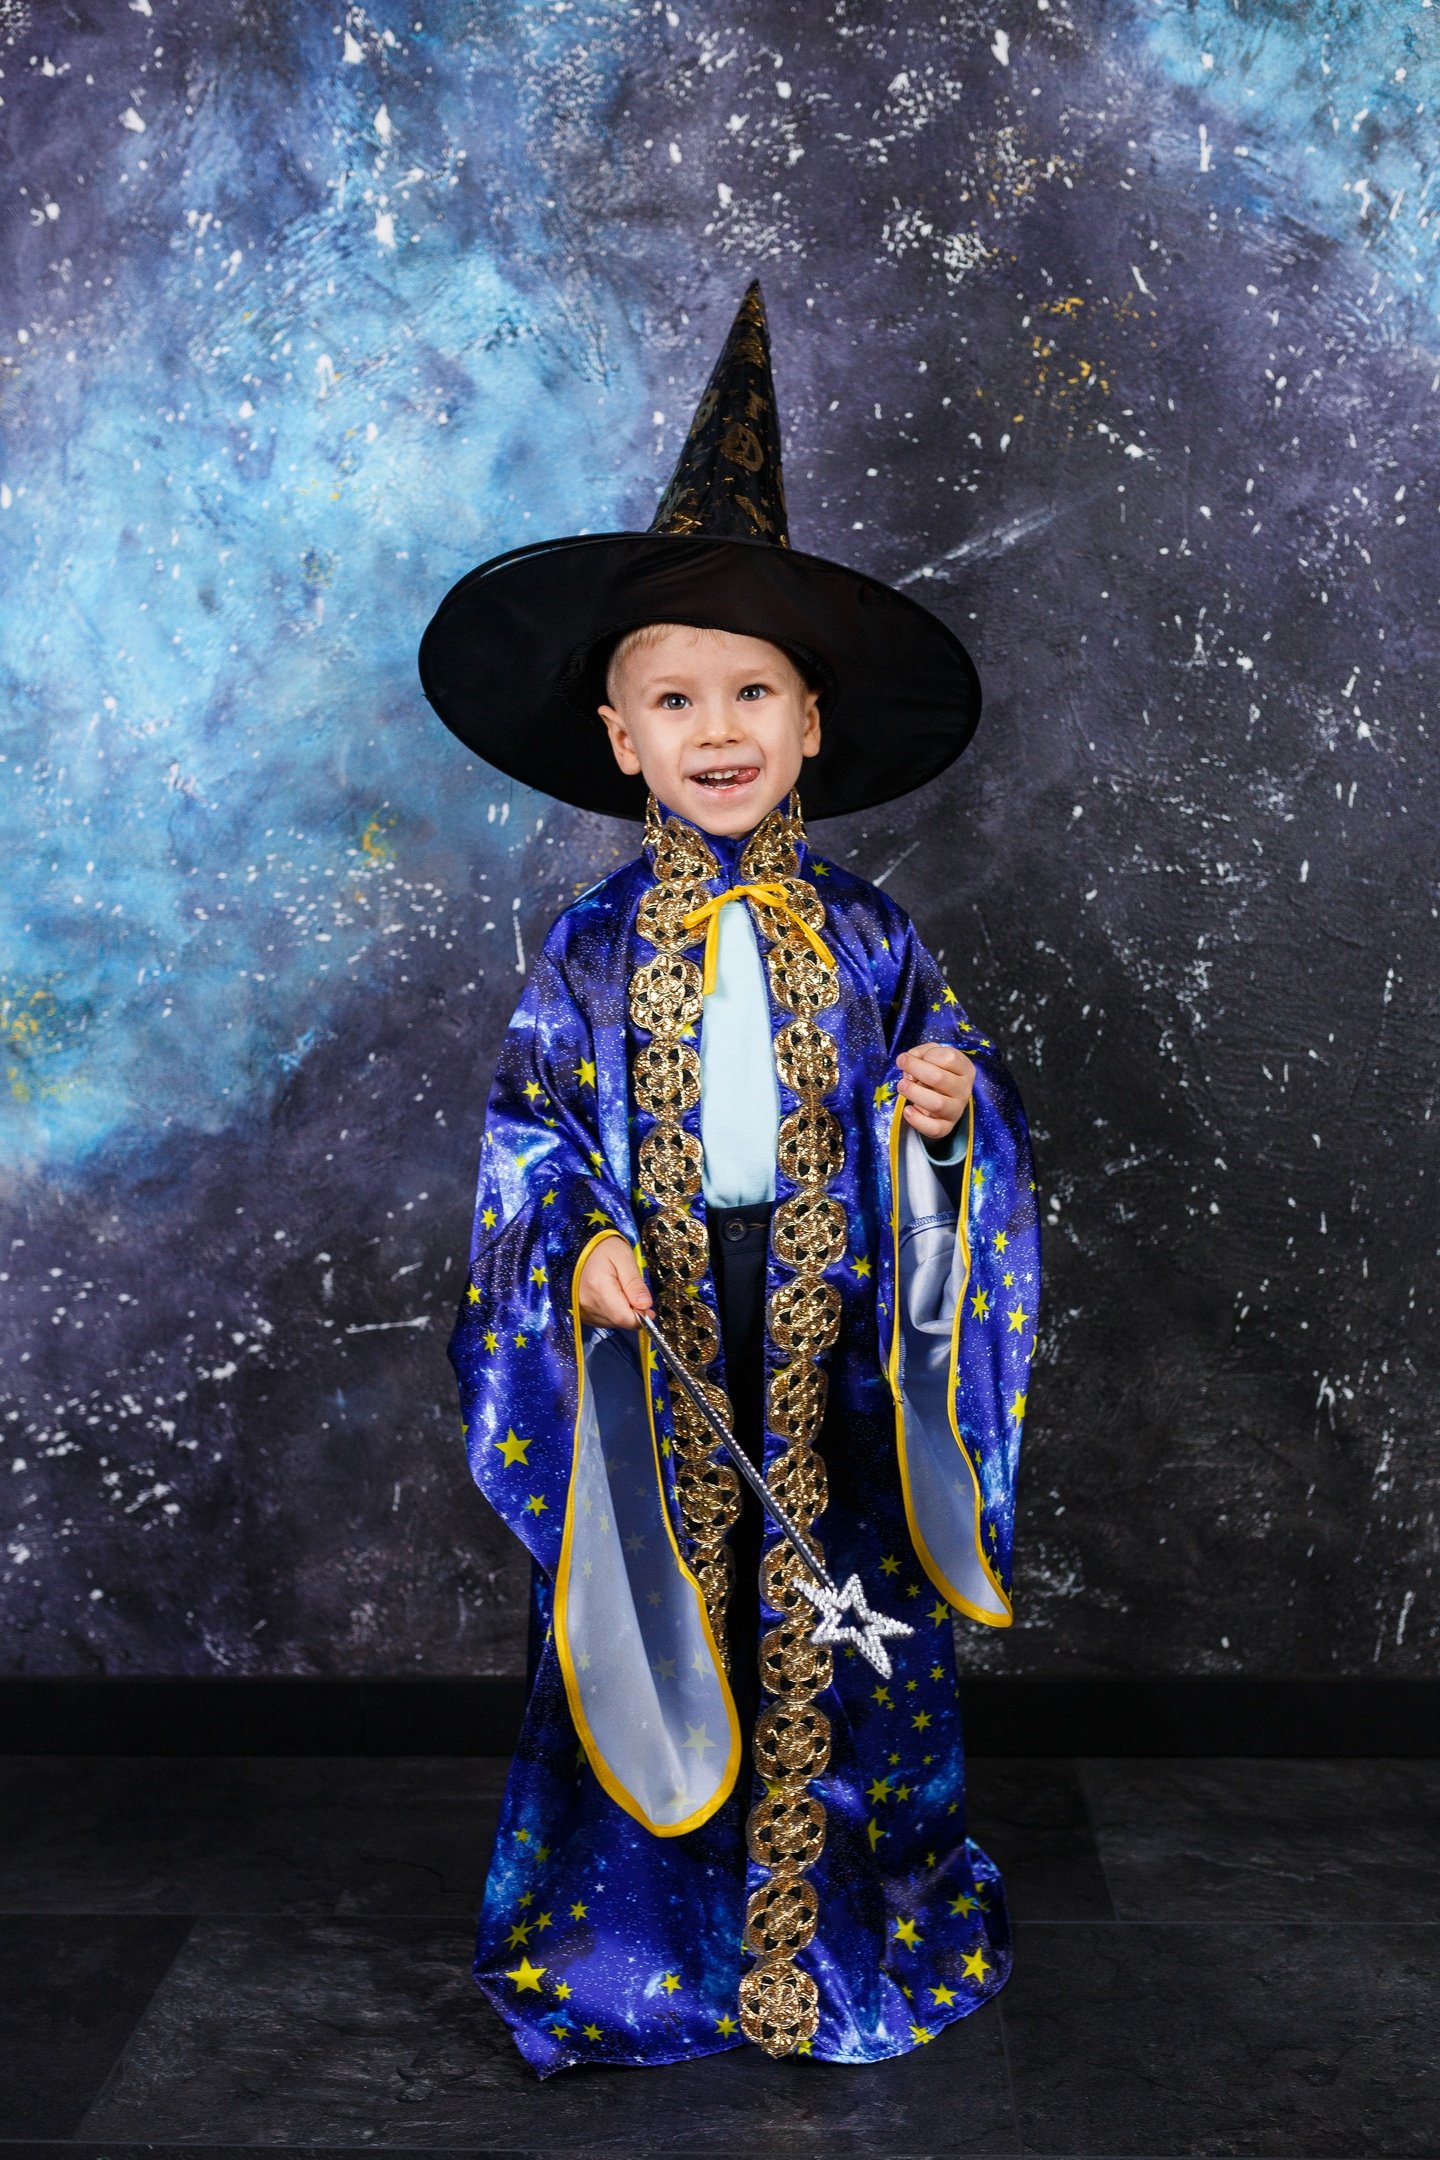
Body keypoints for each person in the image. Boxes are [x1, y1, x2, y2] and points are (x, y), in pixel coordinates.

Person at [418, 283, 1040, 2076]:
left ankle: (848, 1933)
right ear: (619, 737)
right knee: (668, 1615)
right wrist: (576, 1245)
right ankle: (648, 1951)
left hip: (840, 1334)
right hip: (664, 1341)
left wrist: (946, 1119)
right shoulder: (588, 949)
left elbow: (962, 1123)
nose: (717, 726)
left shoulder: (876, 938)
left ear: (812, 723)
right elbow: (531, 1137)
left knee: (848, 1626)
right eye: (674, 696)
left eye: (753, 690)